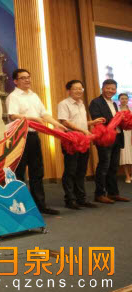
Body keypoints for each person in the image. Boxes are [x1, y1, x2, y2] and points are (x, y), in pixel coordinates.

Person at [6, 69, 67, 215]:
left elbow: (44, 114)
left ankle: (40, 206)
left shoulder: (34, 95)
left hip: (33, 137)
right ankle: (22, 207)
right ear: (15, 81)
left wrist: (57, 125)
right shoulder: (13, 97)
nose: (27, 80)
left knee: (37, 171)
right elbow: (13, 116)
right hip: (19, 137)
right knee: (19, 173)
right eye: (23, 78)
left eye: (28, 77)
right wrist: (32, 119)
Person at [57, 80, 104, 209]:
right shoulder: (64, 104)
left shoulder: (81, 104)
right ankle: (70, 200)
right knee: (70, 170)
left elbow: (80, 123)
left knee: (81, 170)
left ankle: (81, 199)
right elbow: (65, 122)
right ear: (69, 91)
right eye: (75, 88)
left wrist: (92, 122)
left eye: (80, 89)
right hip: (71, 140)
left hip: (83, 140)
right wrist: (83, 130)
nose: (79, 91)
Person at [89, 79, 130, 204]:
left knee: (114, 167)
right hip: (105, 138)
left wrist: (124, 120)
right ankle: (100, 194)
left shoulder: (114, 103)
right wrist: (117, 118)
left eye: (113, 89)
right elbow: (97, 119)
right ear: (102, 88)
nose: (110, 91)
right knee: (104, 166)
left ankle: (113, 193)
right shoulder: (96, 102)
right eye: (108, 88)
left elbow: (117, 121)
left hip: (117, 137)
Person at [119, 93, 132, 183]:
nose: (124, 100)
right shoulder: (116, 109)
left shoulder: (131, 109)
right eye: (122, 98)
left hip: (131, 133)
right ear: (119, 100)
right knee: (124, 154)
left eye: (125, 98)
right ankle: (127, 176)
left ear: (128, 100)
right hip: (122, 133)